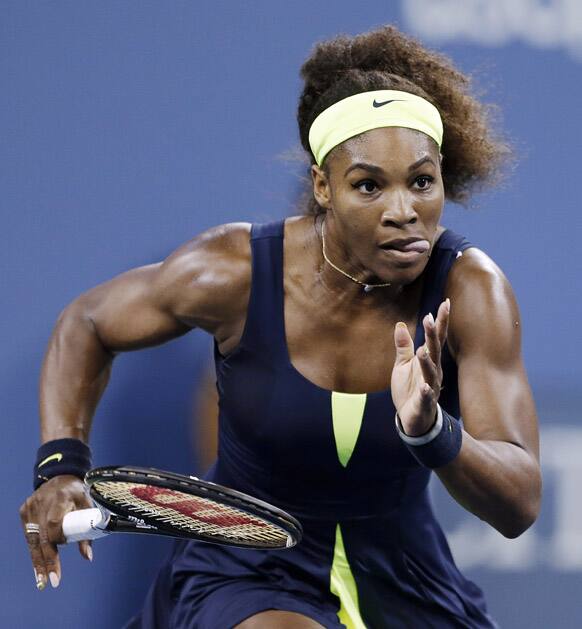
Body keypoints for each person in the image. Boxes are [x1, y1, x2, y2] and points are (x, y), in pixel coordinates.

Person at [20, 25, 541, 628]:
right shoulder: (231, 271)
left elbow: (519, 504)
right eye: (368, 185)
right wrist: (60, 465)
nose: (404, 211)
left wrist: (433, 435)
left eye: (421, 182)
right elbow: (86, 322)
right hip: (244, 566)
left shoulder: (471, 289)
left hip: (404, 572)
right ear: (323, 186)